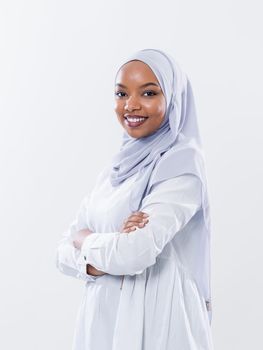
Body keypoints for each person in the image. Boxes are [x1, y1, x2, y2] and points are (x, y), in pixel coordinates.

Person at [56, 48, 214, 350]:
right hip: (103, 318)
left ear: (173, 98)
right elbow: (61, 253)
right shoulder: (115, 169)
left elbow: (134, 254)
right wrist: (98, 257)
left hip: (157, 318)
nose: (131, 105)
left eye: (149, 93)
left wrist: (85, 239)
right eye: (121, 94)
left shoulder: (182, 164)